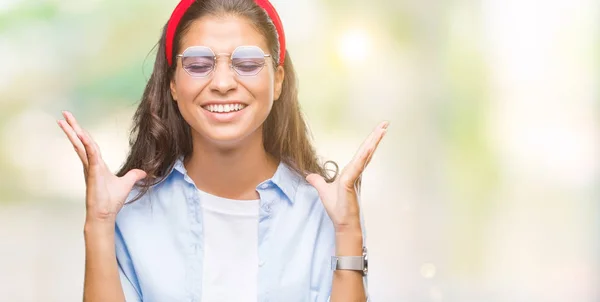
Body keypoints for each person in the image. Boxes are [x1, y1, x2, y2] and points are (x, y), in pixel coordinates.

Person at [57, 0, 388, 301]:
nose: (223, 82)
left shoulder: (324, 210)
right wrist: (98, 223)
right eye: (199, 63)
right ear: (172, 83)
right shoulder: (129, 211)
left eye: (247, 63)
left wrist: (347, 230)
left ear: (278, 80)